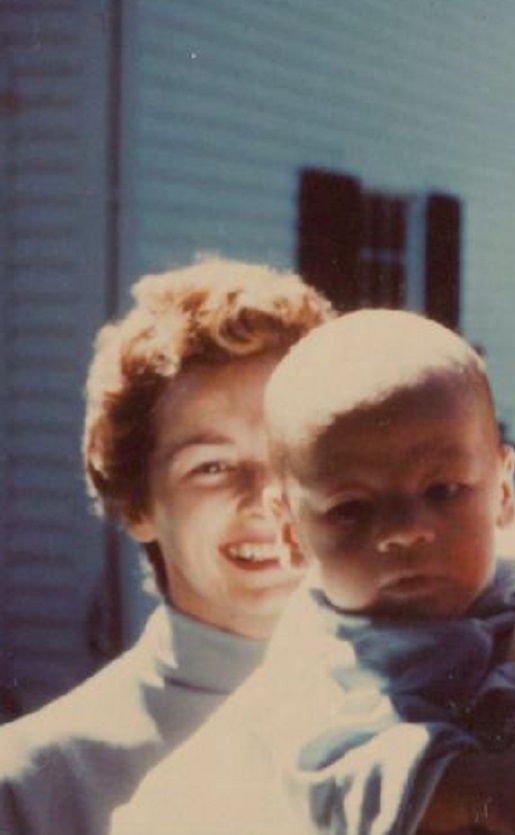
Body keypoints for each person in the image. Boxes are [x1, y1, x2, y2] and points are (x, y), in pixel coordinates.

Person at [112, 309, 515, 835]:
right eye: (352, 508)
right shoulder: (321, 665)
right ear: (290, 532)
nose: (405, 530)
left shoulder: (504, 562)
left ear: (501, 489)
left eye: (442, 491)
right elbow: (331, 779)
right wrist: (473, 787)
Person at [0, 259, 334, 835]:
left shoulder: (438, 718)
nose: (265, 498)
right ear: (137, 506)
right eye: (211, 467)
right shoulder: (36, 782)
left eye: (290, 457)